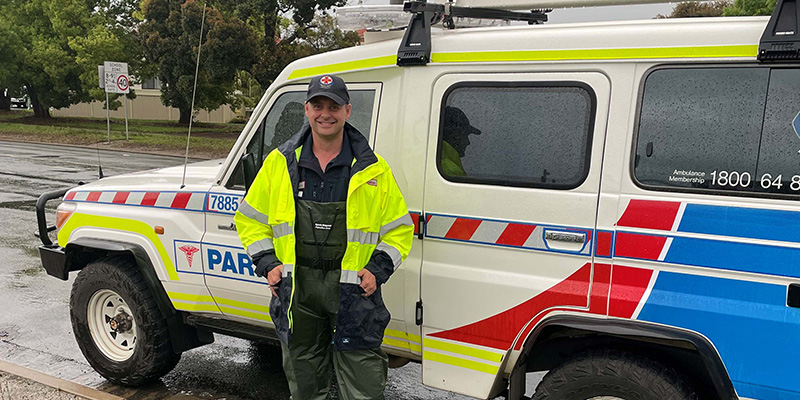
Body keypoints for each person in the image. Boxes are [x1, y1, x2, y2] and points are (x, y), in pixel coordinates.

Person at [234, 74, 414, 400]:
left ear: (347, 111)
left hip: (353, 291)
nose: (325, 113)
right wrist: (268, 263)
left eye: (333, 106)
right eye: (318, 105)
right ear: (306, 110)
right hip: (298, 289)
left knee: (363, 384)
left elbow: (400, 228)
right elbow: (250, 220)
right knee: (303, 381)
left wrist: (378, 269)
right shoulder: (280, 163)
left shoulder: (372, 170)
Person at [441, 106, 481, 177]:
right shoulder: (450, 170)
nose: (468, 142)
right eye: (465, 135)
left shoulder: (441, 163)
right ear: (454, 135)